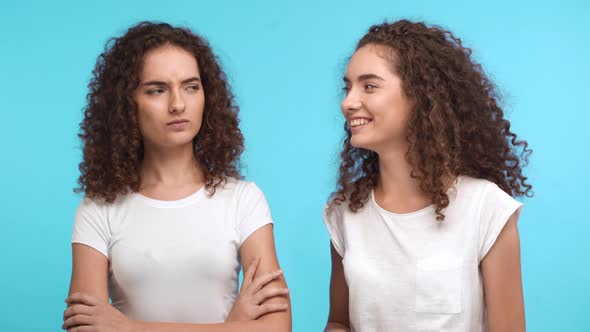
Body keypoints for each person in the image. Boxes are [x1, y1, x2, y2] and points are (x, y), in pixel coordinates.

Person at [63, 21, 291, 332]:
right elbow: (86, 328)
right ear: (127, 104)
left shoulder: (243, 200)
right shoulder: (98, 209)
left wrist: (130, 329)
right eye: (157, 90)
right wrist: (235, 326)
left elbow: (277, 327)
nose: (178, 104)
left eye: (191, 86)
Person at [324, 20, 531, 332]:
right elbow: (339, 322)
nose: (348, 102)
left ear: (420, 97)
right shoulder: (345, 211)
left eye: (369, 86)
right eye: (348, 87)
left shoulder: (487, 210)